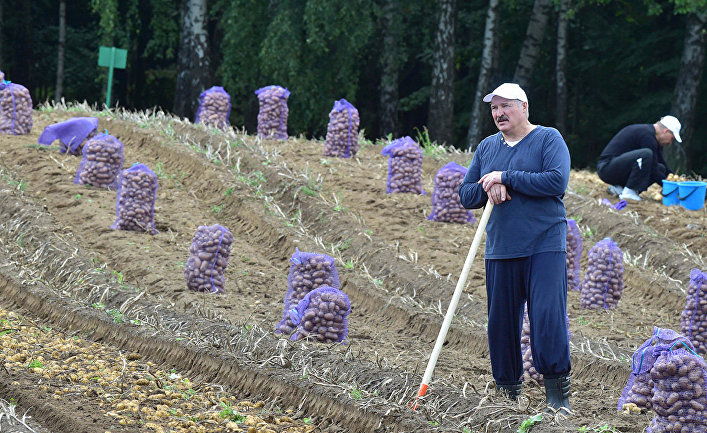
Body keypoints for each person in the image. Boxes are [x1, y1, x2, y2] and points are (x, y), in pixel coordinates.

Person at [458, 83, 572, 414]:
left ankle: (558, 395)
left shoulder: (548, 139)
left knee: (546, 315)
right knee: (501, 323)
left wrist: (506, 176)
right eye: (494, 108)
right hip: (501, 247)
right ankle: (508, 393)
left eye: (505, 106)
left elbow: (556, 181)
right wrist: (488, 185)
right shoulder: (486, 147)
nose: (499, 113)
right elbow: (467, 195)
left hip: (544, 243)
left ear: (524, 106)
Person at [596, 116, 681, 201]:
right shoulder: (646, 135)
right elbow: (653, 168)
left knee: (660, 168)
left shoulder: (653, 137)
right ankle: (629, 193)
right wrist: (669, 186)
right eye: (672, 138)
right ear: (666, 131)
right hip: (606, 168)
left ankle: (620, 189)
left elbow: (661, 163)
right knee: (646, 154)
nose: (670, 142)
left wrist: (675, 180)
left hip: (618, 168)